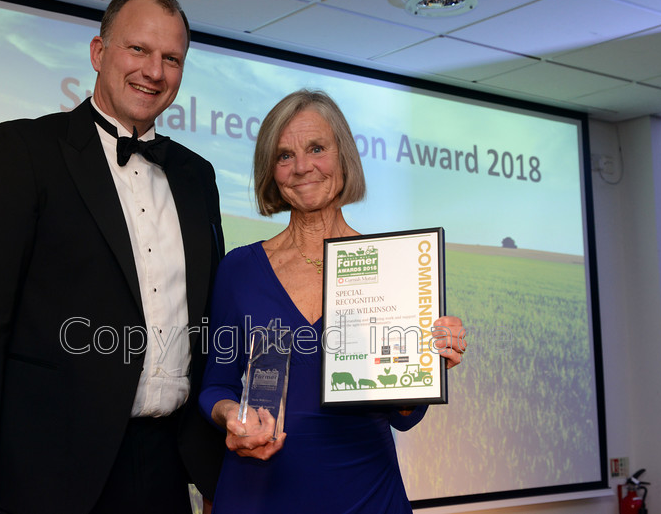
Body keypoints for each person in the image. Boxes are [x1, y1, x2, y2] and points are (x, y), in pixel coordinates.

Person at [0, 0, 224, 514]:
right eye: (138, 50)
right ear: (98, 52)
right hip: (45, 475)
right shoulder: (22, 152)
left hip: (168, 471)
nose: (154, 71)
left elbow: (202, 323)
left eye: (171, 58)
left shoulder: (197, 177)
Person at [199, 89, 466, 513]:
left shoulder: (395, 266)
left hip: (364, 494)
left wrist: (427, 366)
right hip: (257, 493)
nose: (302, 166)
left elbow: (405, 415)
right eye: (284, 155)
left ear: (344, 158)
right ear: (270, 171)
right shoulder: (239, 269)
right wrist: (231, 413)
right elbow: (216, 385)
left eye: (317, 148)